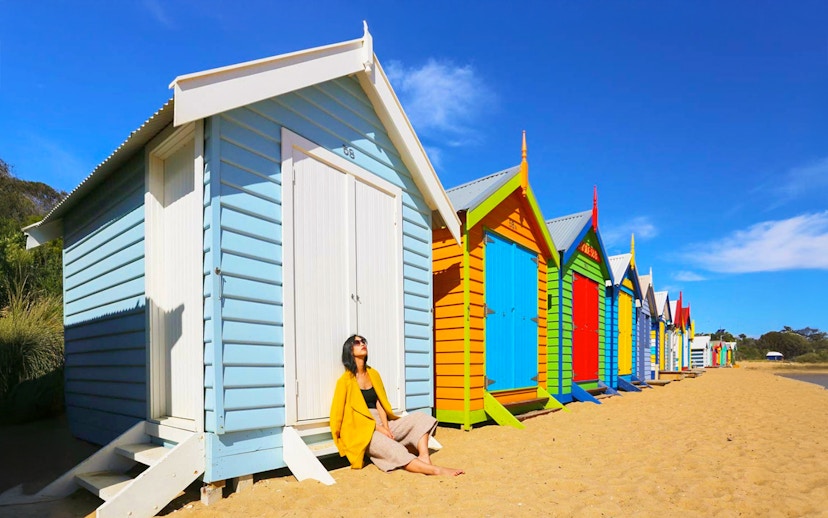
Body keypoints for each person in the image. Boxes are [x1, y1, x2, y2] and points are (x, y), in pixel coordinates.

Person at [329, 334, 464, 476]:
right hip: (363, 430)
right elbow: (337, 414)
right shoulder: (344, 382)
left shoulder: (373, 374)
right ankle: (435, 470)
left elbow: (380, 401)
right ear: (349, 350)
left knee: (421, 418)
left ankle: (424, 456)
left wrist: (386, 426)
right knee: (394, 449)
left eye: (364, 341)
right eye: (357, 342)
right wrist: (341, 440)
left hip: (382, 421)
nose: (362, 344)